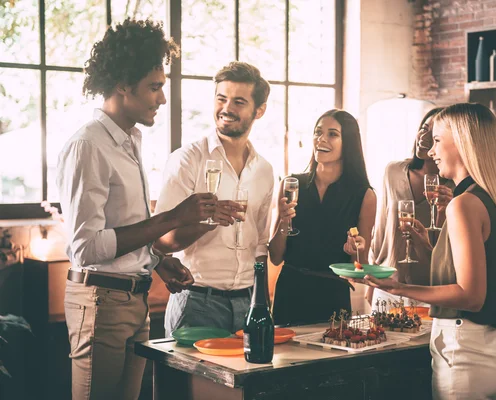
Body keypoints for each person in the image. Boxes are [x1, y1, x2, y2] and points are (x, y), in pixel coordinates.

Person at [56, 19, 211, 400]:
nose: (161, 98)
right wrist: (174, 217)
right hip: (100, 303)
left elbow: (122, 227)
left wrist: (157, 260)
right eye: (154, 87)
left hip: (133, 298)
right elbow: (87, 248)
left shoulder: (128, 141)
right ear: (123, 85)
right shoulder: (89, 146)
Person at [349, 103, 496, 399]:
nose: (431, 151)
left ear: (462, 142)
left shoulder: (463, 204)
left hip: (464, 356)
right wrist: (431, 249)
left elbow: (470, 295)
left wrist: (400, 287)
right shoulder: (483, 198)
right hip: (483, 351)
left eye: (439, 140)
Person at [154, 61, 273, 337]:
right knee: (189, 383)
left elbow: (260, 245)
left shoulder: (265, 170)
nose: (227, 109)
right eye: (222, 98)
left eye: (239, 102)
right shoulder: (187, 160)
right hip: (196, 303)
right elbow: (161, 241)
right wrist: (206, 221)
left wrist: (262, 303)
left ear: (259, 110)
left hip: (249, 304)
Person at [269, 109, 377, 326]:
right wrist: (283, 222)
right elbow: (275, 256)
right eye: (318, 132)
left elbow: (359, 269)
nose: (322, 139)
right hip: (290, 292)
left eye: (332, 134)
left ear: (348, 142)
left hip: (332, 297)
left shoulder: (364, 195)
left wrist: (357, 249)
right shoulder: (291, 185)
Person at [367, 107, 453, 311]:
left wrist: (446, 211)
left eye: (433, 134)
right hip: (387, 282)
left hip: (427, 289)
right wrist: (373, 274)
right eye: (423, 128)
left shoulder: (454, 187)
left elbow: (448, 248)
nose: (423, 136)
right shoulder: (393, 171)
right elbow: (380, 229)